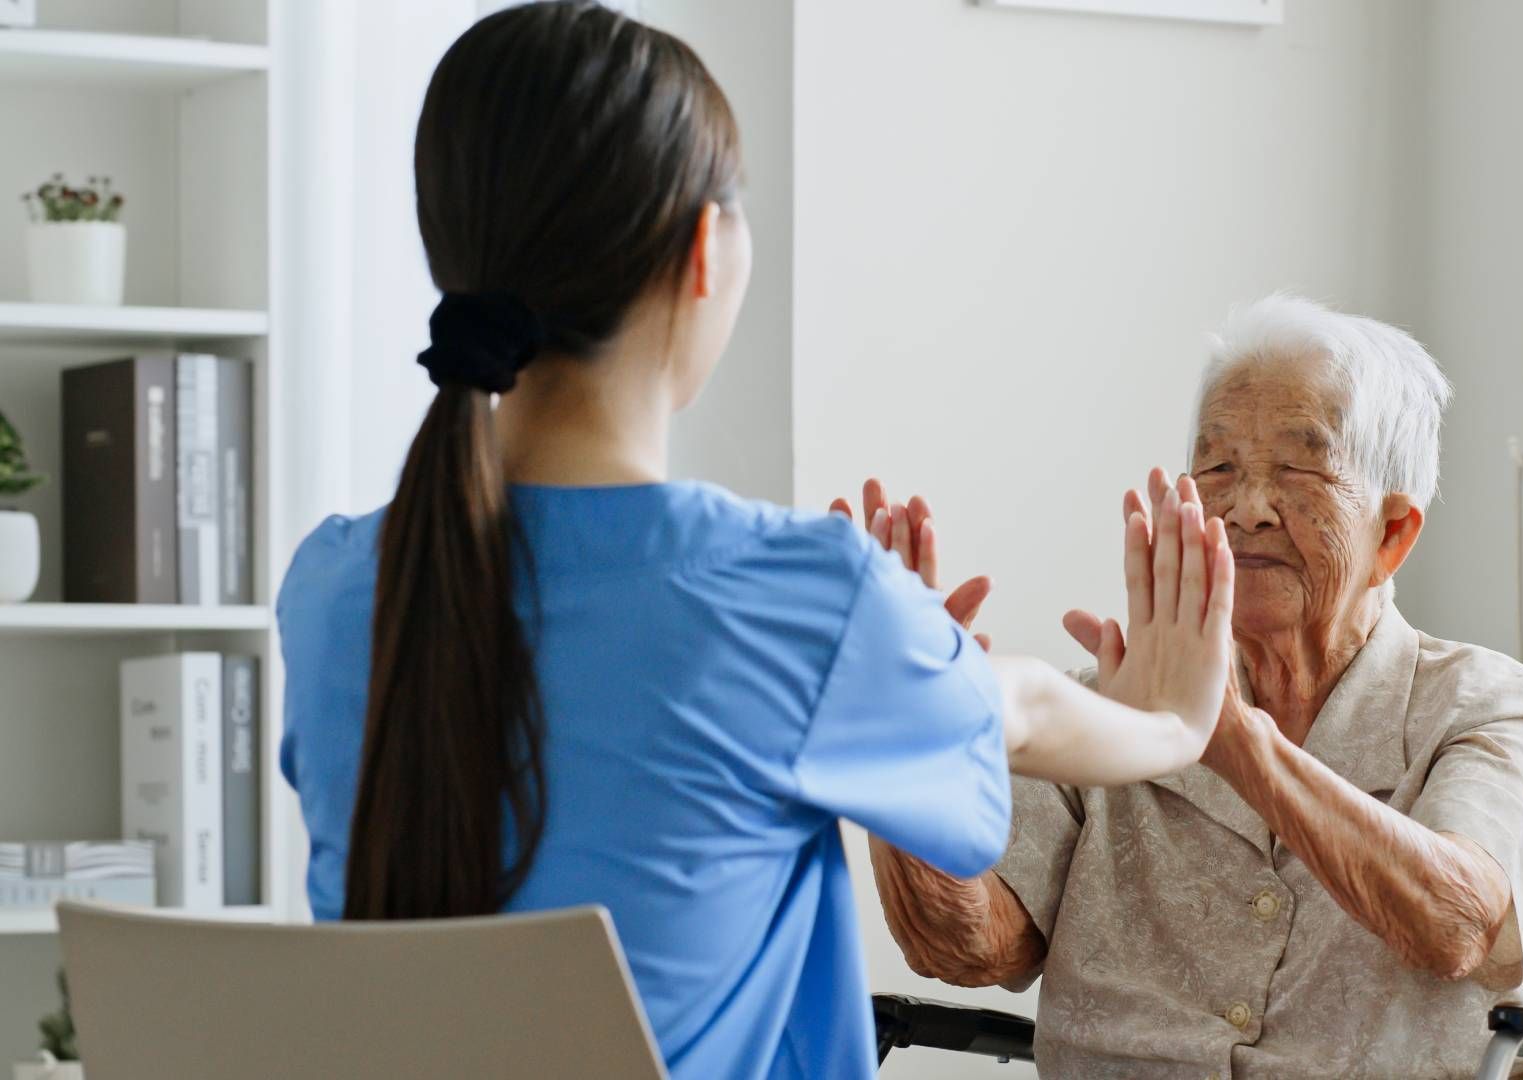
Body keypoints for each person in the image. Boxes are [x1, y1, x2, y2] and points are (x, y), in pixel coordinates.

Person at [274, 5, 1236, 1079]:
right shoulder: (795, 599)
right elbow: (1021, 707)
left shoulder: (332, 590)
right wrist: (1169, 720)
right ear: (701, 250)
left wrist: (887, 645)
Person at [870, 294, 1523, 1079]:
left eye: (1300, 470)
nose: (1248, 508)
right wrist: (902, 757)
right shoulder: (1106, 706)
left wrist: (1227, 739)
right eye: (1219, 469)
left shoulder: (1480, 703)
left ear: (1393, 533)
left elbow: (1460, 925)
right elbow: (967, 947)